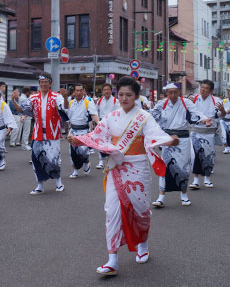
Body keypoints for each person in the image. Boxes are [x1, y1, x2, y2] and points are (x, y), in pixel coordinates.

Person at [68, 77, 178, 276]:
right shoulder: (111, 117)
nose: (124, 98)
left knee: (141, 209)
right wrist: (78, 139)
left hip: (138, 168)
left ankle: (142, 245)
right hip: (116, 168)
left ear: (136, 96)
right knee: (112, 211)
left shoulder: (144, 117)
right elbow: (97, 135)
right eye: (121, 94)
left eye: (129, 95)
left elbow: (156, 135)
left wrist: (170, 141)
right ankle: (112, 259)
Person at [150, 83, 211, 208]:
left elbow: (196, 112)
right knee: (165, 167)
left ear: (179, 92)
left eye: (175, 92)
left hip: (183, 139)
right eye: (170, 92)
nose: (172, 95)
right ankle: (161, 197)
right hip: (168, 139)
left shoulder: (186, 102)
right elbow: (151, 116)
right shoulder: (162, 103)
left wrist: (204, 119)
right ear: (166, 93)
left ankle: (184, 195)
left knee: (183, 168)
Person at [11, 72, 68, 195]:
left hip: (52, 133)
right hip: (38, 134)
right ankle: (40, 185)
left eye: (46, 82)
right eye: (41, 82)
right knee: (36, 158)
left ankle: (59, 183)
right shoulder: (33, 98)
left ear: (50, 83)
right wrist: (14, 100)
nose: (43, 84)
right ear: (39, 84)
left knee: (54, 159)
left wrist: (65, 98)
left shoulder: (56, 97)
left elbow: (64, 108)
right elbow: (22, 109)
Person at [188, 80, 225, 190]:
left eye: (206, 88)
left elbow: (221, 115)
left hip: (209, 133)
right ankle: (195, 180)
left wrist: (223, 110)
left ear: (211, 91)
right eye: (202, 87)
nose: (203, 90)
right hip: (195, 131)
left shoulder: (216, 101)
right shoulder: (193, 99)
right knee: (194, 155)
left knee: (208, 156)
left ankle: (207, 178)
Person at [66, 84, 99, 179]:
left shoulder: (88, 102)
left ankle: (86, 162)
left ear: (83, 91)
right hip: (73, 131)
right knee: (72, 152)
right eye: (77, 90)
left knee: (83, 151)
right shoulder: (71, 102)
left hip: (84, 130)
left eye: (81, 90)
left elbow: (94, 114)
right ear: (74, 92)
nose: (79, 92)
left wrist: (99, 123)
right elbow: (67, 115)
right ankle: (75, 170)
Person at [95, 83, 120, 170]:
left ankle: (111, 160)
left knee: (111, 142)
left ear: (111, 91)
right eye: (105, 90)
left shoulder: (115, 101)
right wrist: (97, 122)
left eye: (108, 89)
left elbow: (118, 113)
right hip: (102, 123)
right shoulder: (99, 101)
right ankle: (100, 161)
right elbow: (96, 112)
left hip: (112, 123)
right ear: (102, 91)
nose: (106, 91)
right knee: (100, 142)